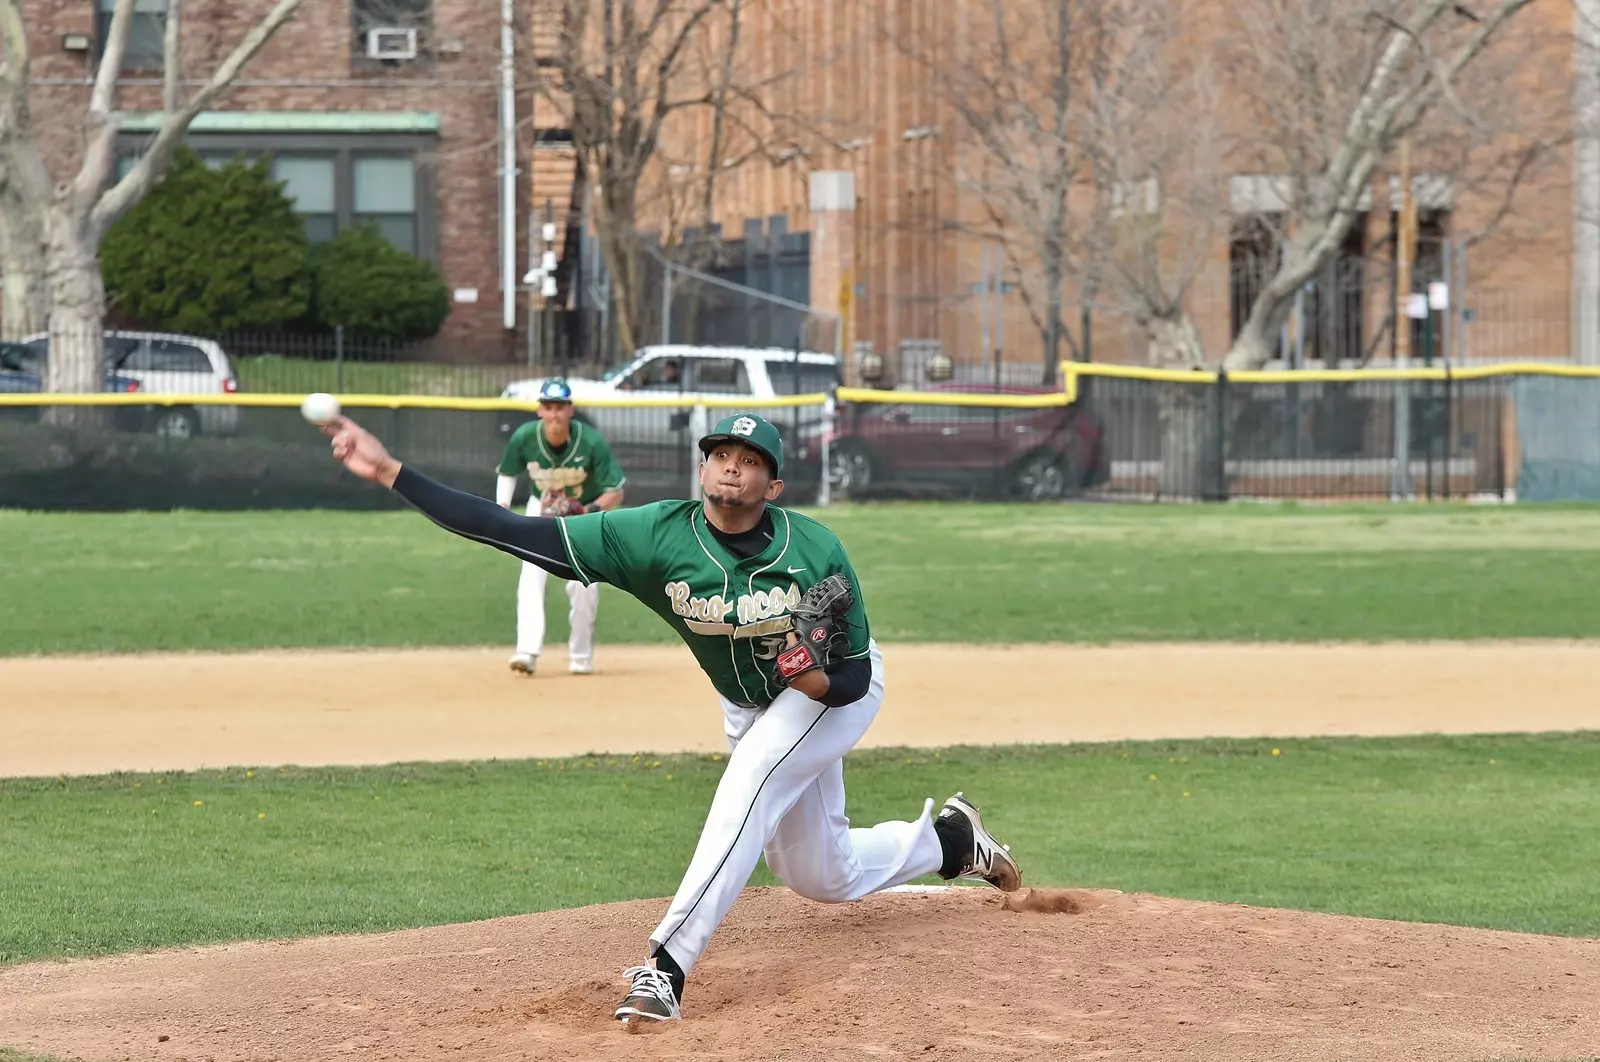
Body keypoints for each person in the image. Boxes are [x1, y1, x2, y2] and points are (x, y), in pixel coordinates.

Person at [317, 409, 1024, 1024]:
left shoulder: (813, 550)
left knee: (750, 780)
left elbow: (855, 674)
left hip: (829, 698)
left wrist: (814, 678)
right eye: (721, 456)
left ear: (772, 487)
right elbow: (508, 528)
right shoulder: (655, 536)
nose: (731, 469)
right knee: (821, 875)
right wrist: (389, 473)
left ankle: (667, 965)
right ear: (703, 468)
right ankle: (951, 843)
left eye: (750, 462)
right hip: (751, 704)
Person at [497, 379, 626, 676]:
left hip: (582, 516)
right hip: (539, 512)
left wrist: (588, 509)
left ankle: (580, 656)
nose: (554, 414)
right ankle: (527, 651)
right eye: (549, 407)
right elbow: (507, 472)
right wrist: (502, 506)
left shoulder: (591, 441)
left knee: (585, 585)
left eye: (560, 407)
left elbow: (616, 491)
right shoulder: (525, 437)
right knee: (531, 576)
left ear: (571, 410)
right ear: (540, 410)